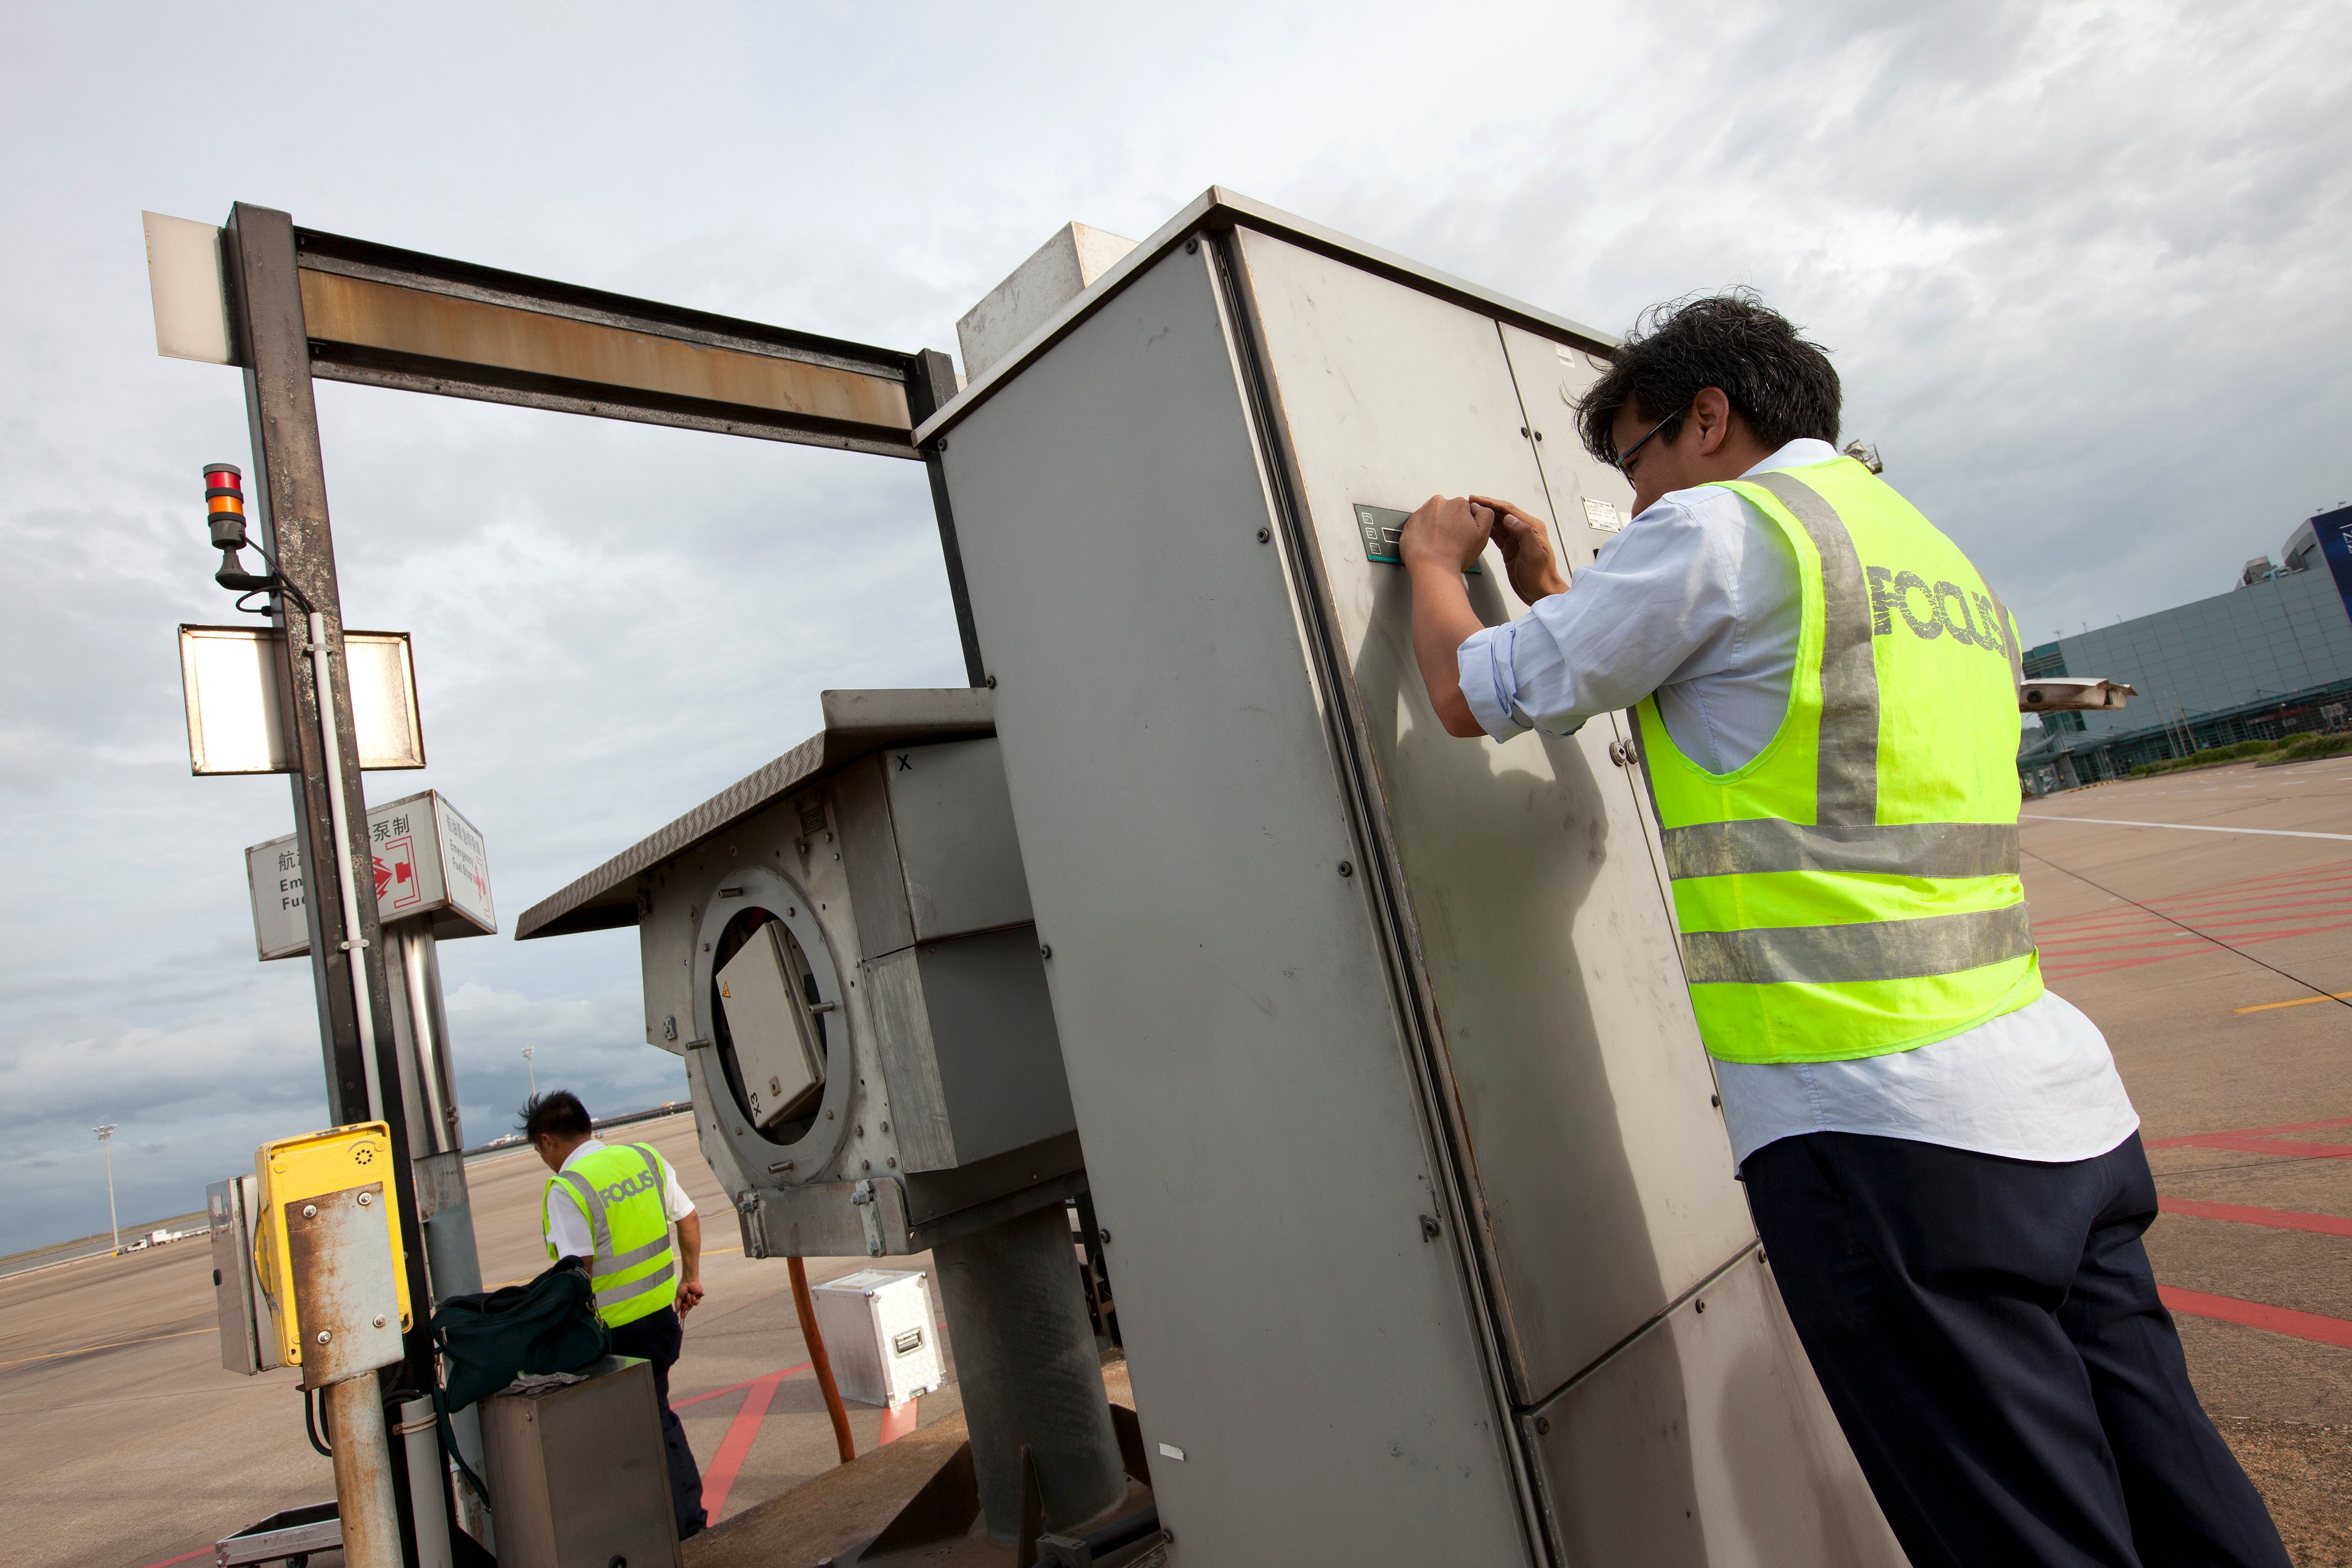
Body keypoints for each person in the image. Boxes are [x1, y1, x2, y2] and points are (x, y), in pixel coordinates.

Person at [1398, 293, 2287, 1568]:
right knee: (2179, 1495)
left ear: (1707, 418)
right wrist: (1548, 583)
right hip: (2058, 1110)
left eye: (1635, 459)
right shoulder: (1919, 553)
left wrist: (1431, 561)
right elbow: (1705, 703)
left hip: (1883, 1136)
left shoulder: (1717, 526)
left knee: (2021, 1536)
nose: (1635, 504)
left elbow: (1466, 690)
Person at [526, 1089, 709, 1542]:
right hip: (661, 1321)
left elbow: (577, 1271)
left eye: (538, 1150)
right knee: (656, 1415)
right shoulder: (643, 1158)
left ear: (548, 1140)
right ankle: (677, 1522)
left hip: (613, 1333)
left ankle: (674, 1526)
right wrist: (690, 1277)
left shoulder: (566, 1187)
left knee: (624, 1431)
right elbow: (687, 1219)